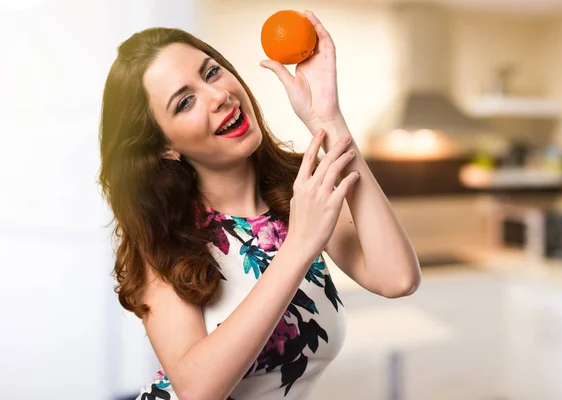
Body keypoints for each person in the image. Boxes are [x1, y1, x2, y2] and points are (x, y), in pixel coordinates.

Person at [98, 10, 421, 400]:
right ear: (164, 146)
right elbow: (197, 390)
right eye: (185, 102)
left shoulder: (300, 191)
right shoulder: (163, 235)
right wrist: (300, 245)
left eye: (212, 72)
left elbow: (397, 278)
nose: (219, 96)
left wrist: (329, 119)